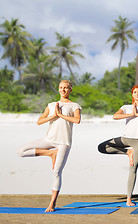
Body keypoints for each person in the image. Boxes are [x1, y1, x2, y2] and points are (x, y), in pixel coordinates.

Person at [17, 80, 81, 212]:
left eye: (65, 88)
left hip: (64, 142)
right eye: (61, 88)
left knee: (56, 172)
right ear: (58, 89)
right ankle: (51, 153)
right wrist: (53, 115)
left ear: (70, 90)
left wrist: (60, 115)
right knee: (21, 151)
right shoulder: (51, 105)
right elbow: (39, 121)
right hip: (49, 139)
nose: (63, 90)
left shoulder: (75, 106)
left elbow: (77, 120)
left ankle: (52, 204)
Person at [98, 85, 138, 206]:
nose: (137, 94)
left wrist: (137, 114)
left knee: (133, 169)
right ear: (132, 94)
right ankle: (127, 152)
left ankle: (129, 198)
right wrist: (131, 114)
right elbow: (115, 116)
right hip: (125, 139)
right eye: (135, 92)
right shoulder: (126, 107)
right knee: (102, 147)